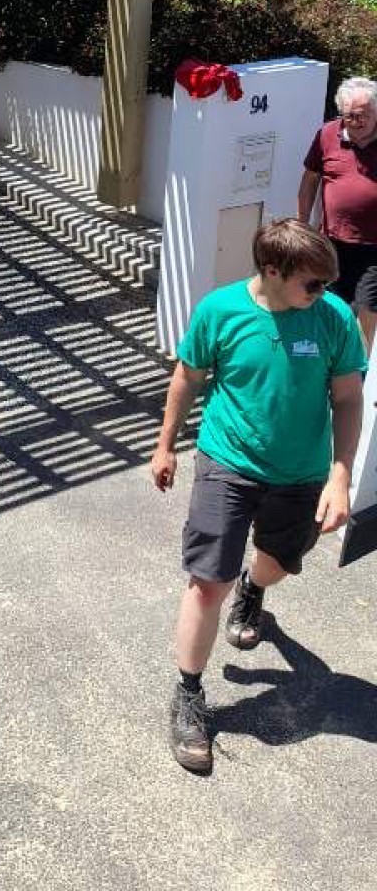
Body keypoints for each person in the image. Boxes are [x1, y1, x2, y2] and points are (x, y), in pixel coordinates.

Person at [150, 219, 366, 774]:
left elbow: (346, 398)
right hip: (229, 463)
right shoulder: (220, 312)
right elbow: (186, 378)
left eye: (328, 285)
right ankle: (189, 693)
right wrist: (165, 446)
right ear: (273, 271)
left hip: (300, 475)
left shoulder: (333, 318)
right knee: (206, 583)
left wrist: (342, 475)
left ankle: (253, 587)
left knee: (277, 565)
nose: (324, 296)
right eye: (313, 284)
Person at [299, 76, 377, 360]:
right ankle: (324, 362)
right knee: (329, 301)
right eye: (350, 115)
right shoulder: (327, 134)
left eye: (364, 114)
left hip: (373, 248)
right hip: (331, 241)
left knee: (367, 308)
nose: (357, 120)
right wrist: (303, 225)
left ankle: (355, 370)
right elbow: (309, 181)